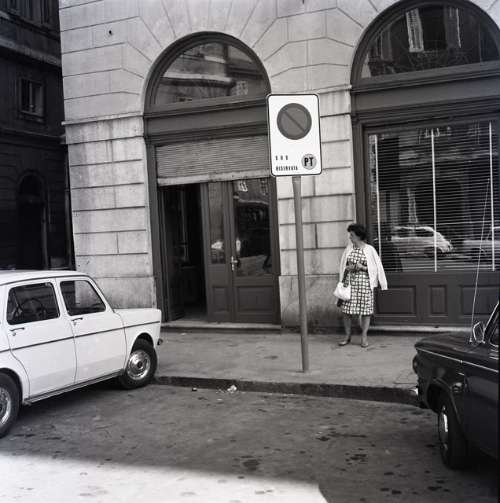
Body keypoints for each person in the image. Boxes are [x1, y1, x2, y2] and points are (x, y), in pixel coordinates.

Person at [338, 223, 388, 348]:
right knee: (346, 311)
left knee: (366, 311)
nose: (350, 237)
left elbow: (377, 268)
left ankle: (364, 336)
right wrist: (348, 268)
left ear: (359, 236)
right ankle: (347, 336)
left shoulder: (370, 250)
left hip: (365, 285)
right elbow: (343, 265)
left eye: (352, 235)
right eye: (350, 235)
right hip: (349, 284)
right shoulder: (349, 249)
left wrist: (363, 267)